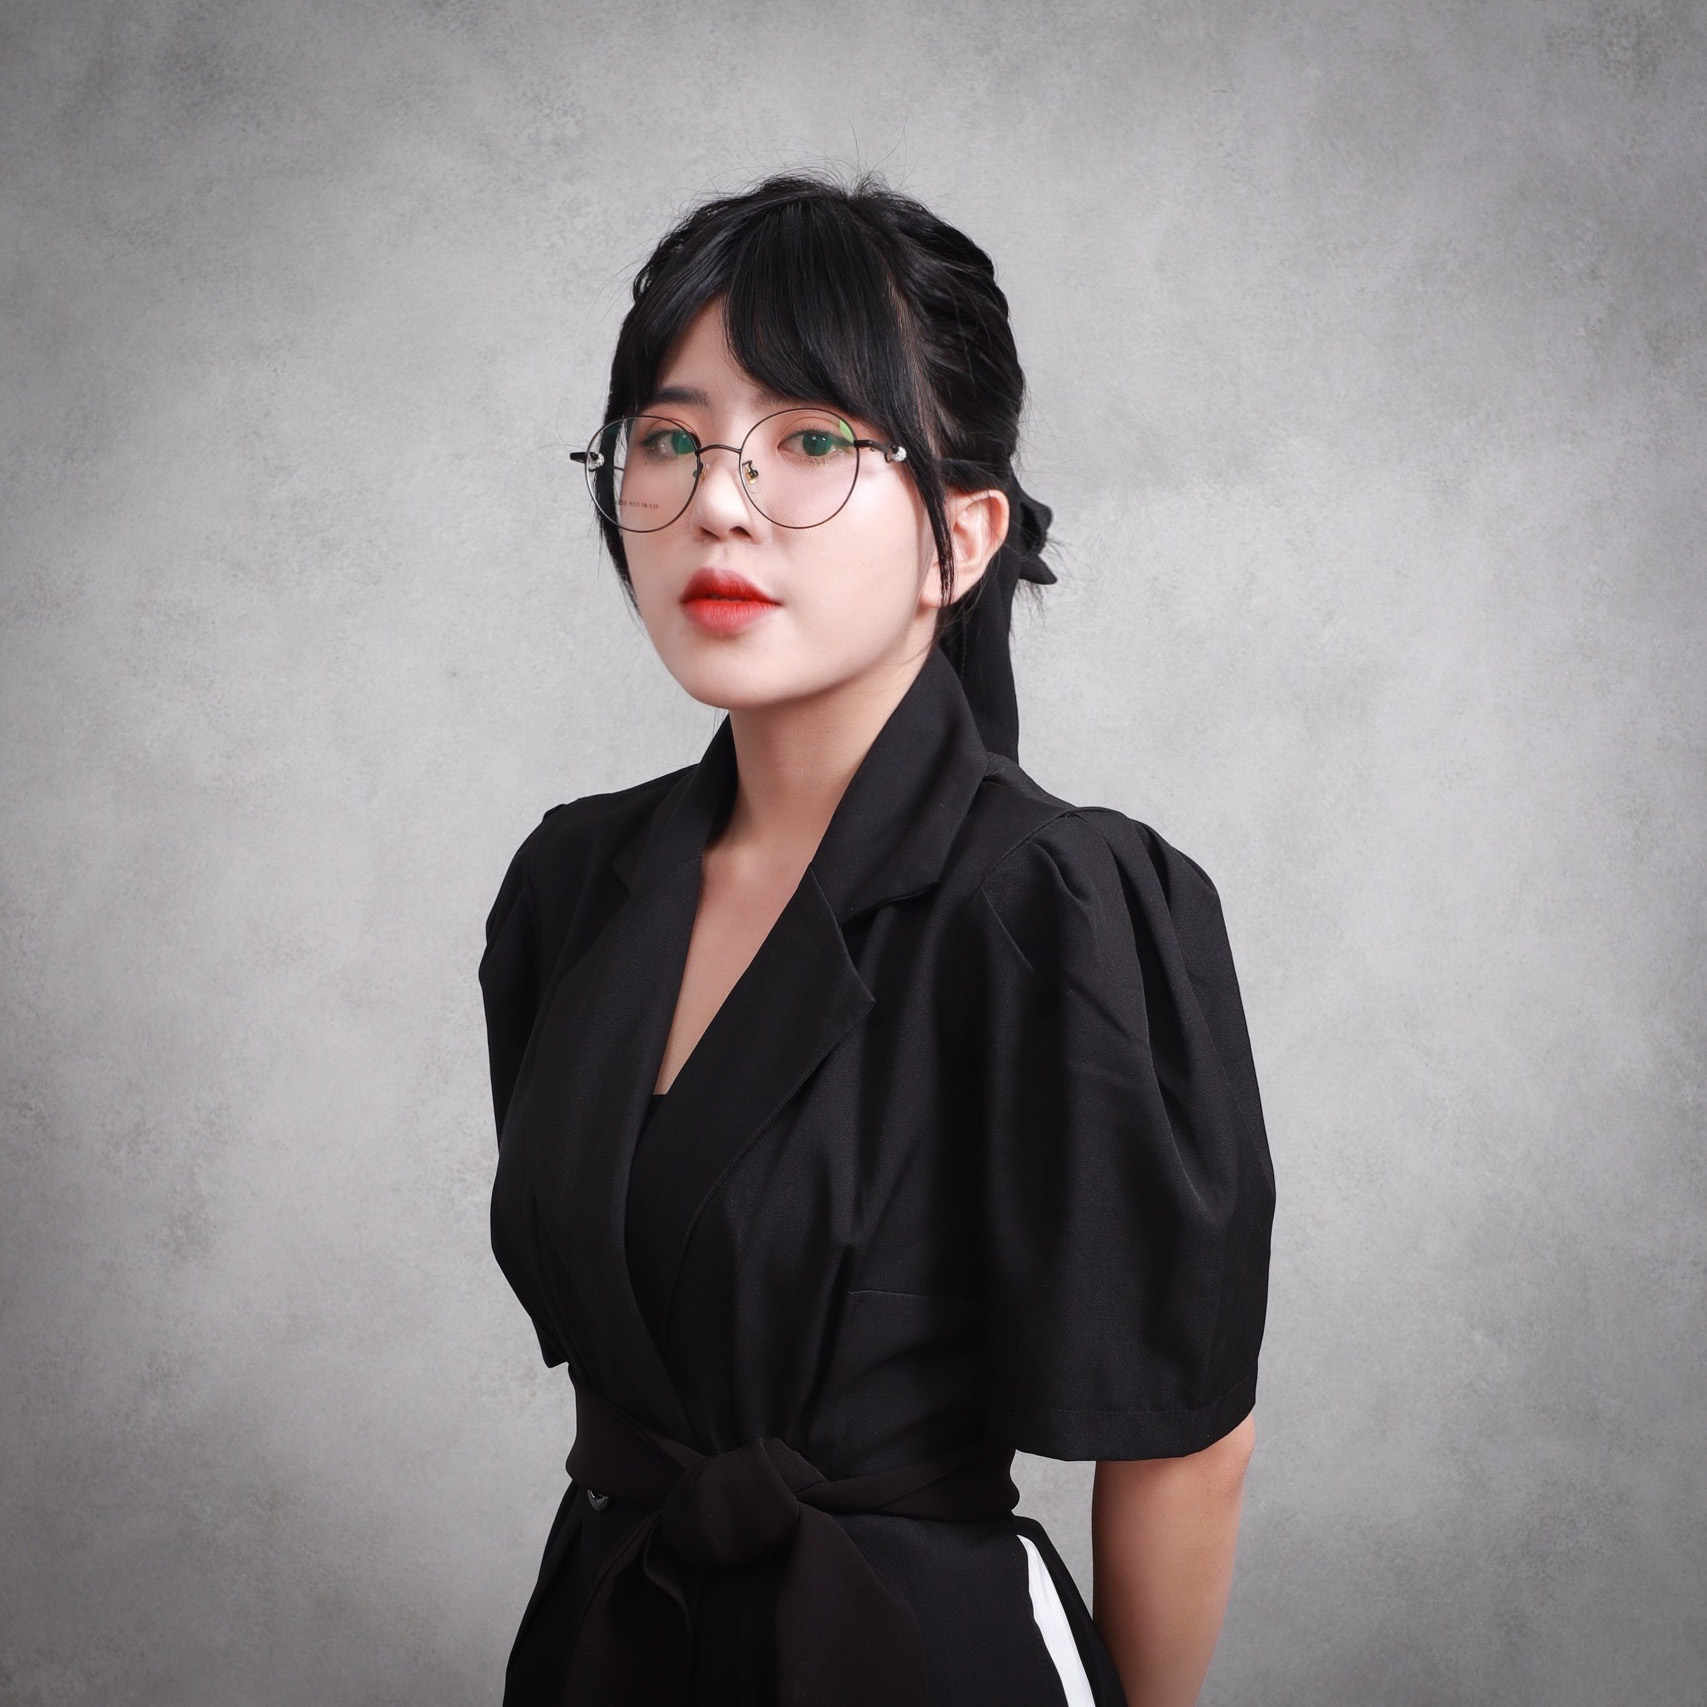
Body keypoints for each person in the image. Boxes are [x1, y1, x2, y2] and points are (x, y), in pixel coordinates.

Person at [479, 172, 1275, 1707]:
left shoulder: (1060, 903)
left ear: (959, 541)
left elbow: (1182, 1437)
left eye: (812, 441)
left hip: (914, 1653)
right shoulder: (571, 885)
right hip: (609, 1642)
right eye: (670, 438)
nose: (719, 500)